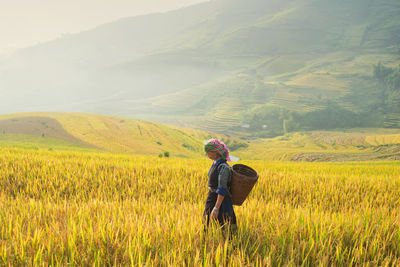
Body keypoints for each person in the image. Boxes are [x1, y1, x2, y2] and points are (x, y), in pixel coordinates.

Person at [203, 138, 237, 234]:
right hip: (212, 198)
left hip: (222, 200)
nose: (207, 155)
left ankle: (231, 246)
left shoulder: (223, 168)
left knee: (227, 227)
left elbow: (222, 189)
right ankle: (207, 244)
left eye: (208, 152)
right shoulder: (215, 164)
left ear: (215, 152)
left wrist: (216, 208)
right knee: (206, 223)